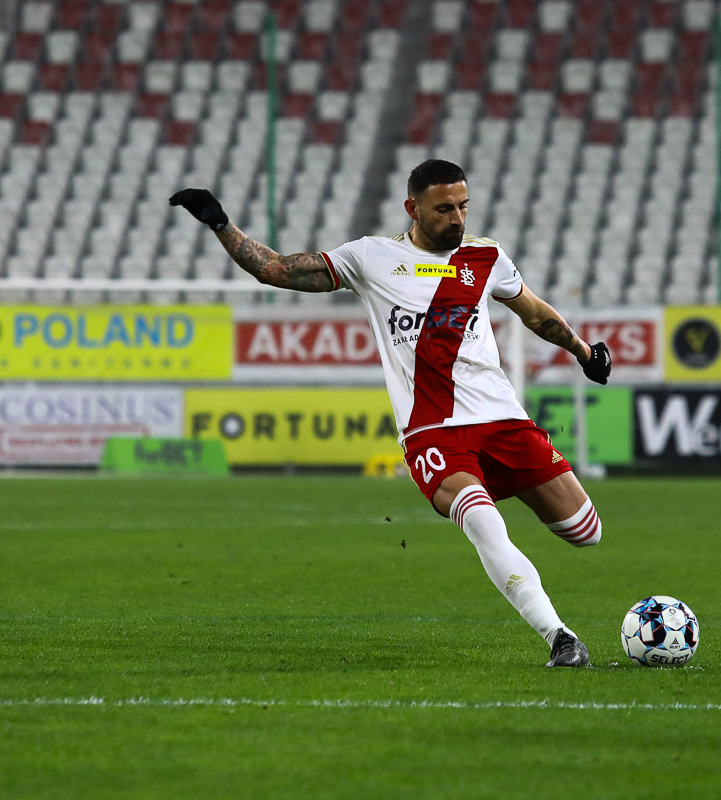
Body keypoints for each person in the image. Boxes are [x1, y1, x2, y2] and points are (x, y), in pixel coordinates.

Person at [171, 159, 612, 667]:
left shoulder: (486, 258)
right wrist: (220, 223)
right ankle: (560, 637)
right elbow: (276, 269)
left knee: (585, 532)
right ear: (413, 208)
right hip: (433, 431)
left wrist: (583, 351)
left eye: (463, 206)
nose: (457, 218)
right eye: (444, 208)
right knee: (485, 526)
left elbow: (535, 313)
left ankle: (501, 493)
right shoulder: (371, 257)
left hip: (503, 420)